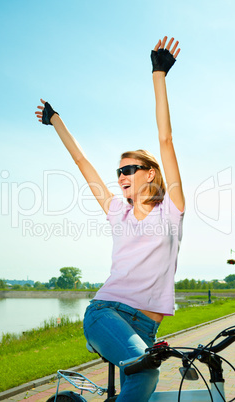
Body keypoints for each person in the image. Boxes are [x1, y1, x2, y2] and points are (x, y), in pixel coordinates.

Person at [35, 36, 185, 402]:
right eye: (118, 171)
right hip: (107, 313)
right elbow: (82, 163)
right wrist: (56, 120)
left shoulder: (172, 210)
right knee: (145, 373)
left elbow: (165, 140)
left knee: (143, 380)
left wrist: (158, 74)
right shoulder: (117, 211)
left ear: (150, 173)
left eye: (129, 169)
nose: (120, 176)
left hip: (146, 327)